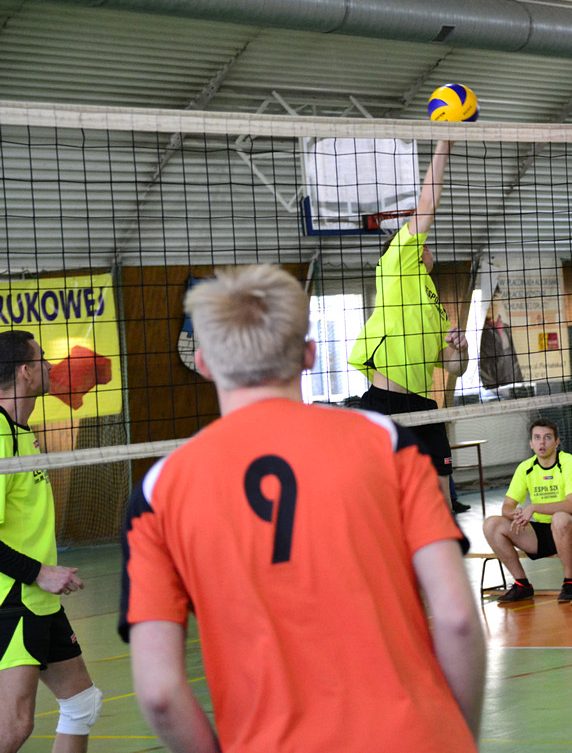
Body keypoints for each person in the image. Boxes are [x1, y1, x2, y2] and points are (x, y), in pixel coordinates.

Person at [119, 265, 484, 752]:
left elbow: (160, 693)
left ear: (203, 362)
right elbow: (457, 619)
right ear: (309, 355)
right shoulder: (387, 444)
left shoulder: (158, 491)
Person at [348, 139, 470, 508]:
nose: (427, 246)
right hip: (385, 403)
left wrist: (461, 349)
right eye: (422, 244)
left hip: (423, 405)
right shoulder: (396, 266)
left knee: (441, 497)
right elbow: (428, 204)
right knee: (383, 500)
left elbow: (454, 368)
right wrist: (444, 144)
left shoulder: (435, 304)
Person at [0, 331, 102, 753]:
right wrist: (38, 572)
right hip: (13, 599)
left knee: (82, 703)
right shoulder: (0, 434)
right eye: (41, 359)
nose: (49, 367)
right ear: (25, 371)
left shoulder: (23, 431)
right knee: (13, 728)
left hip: (39, 600)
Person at [482, 418, 572, 603]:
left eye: (547, 437)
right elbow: (507, 507)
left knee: (560, 518)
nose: (542, 443)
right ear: (531, 444)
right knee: (492, 525)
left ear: (556, 442)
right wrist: (515, 513)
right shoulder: (526, 468)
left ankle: (569, 584)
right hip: (543, 533)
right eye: (537, 438)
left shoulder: (569, 463)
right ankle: (522, 584)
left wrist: (534, 507)